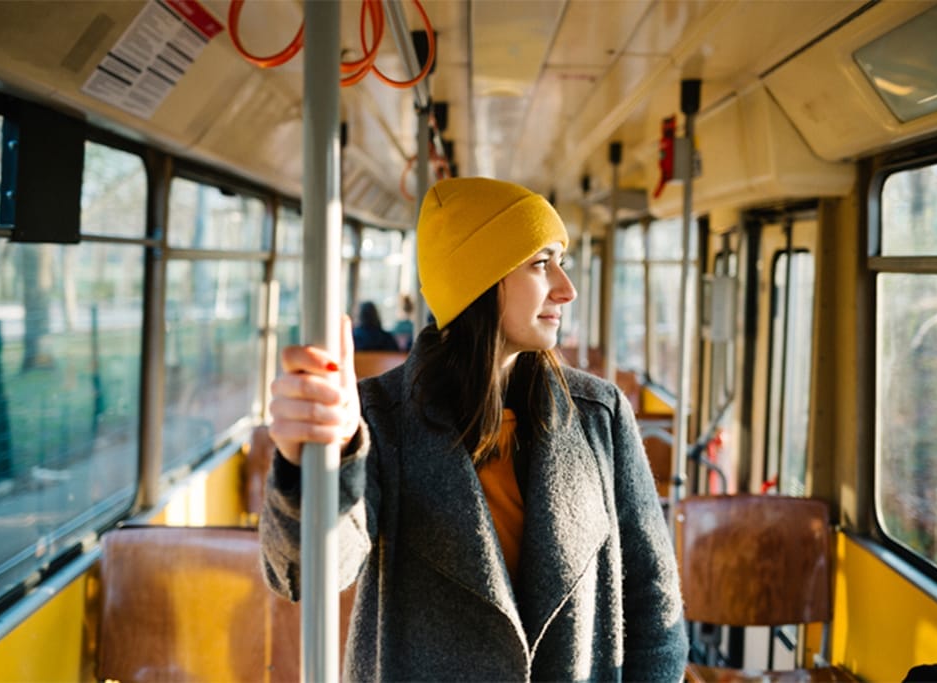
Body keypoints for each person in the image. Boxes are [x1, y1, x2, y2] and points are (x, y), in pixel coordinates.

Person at [262, 177, 687, 681]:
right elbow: (312, 569)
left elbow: (654, 608)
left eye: (561, 263)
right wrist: (303, 460)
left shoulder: (600, 416)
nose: (565, 289)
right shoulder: (375, 419)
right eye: (540, 263)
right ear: (477, 281)